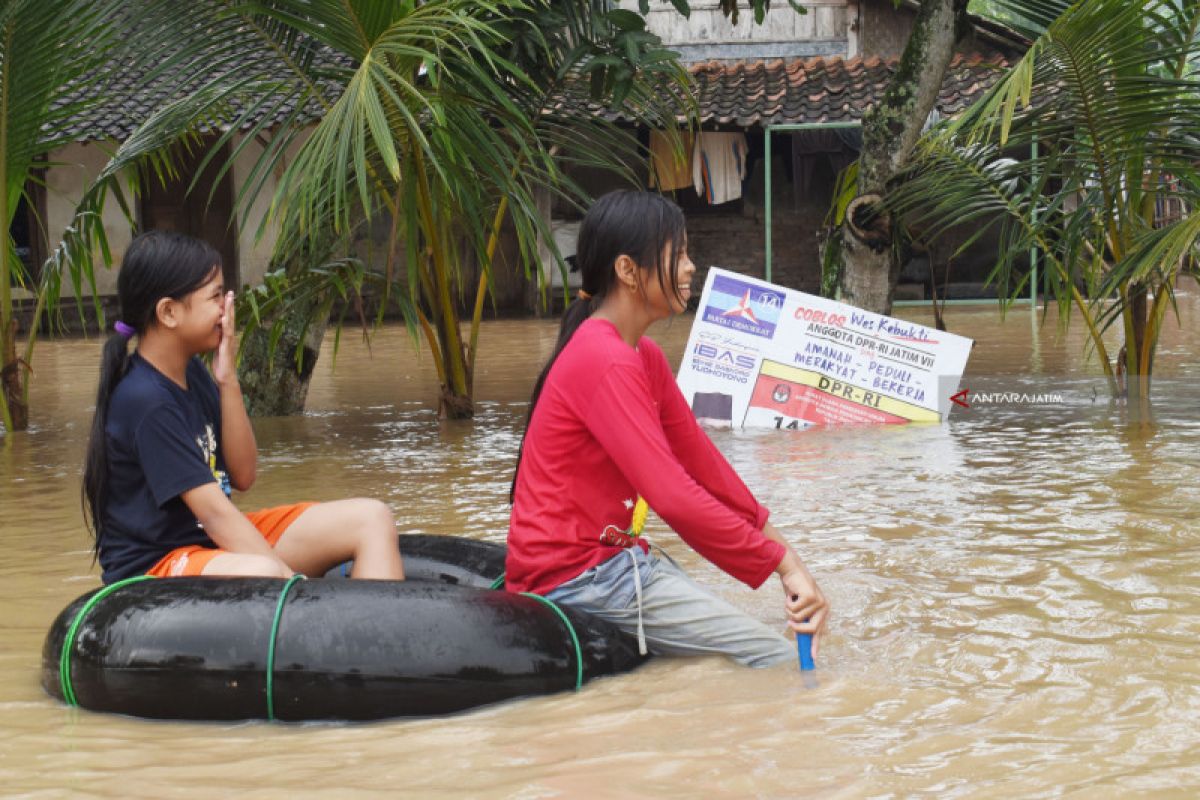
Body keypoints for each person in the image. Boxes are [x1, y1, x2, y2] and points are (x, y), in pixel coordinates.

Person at [505, 190, 828, 668]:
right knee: (776, 662)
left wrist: (789, 559)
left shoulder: (641, 356)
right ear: (627, 271)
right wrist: (779, 565)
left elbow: (704, 466)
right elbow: (675, 496)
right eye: (677, 254)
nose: (690, 266)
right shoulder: (605, 359)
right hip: (576, 579)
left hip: (613, 564)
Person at [82, 230, 405, 584]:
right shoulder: (145, 400)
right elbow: (216, 515)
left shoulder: (192, 371)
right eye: (216, 296)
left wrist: (227, 379)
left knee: (372, 518)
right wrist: (290, 581)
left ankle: (379, 639)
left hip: (205, 544)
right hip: (156, 564)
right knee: (263, 571)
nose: (227, 308)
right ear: (169, 312)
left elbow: (244, 475)